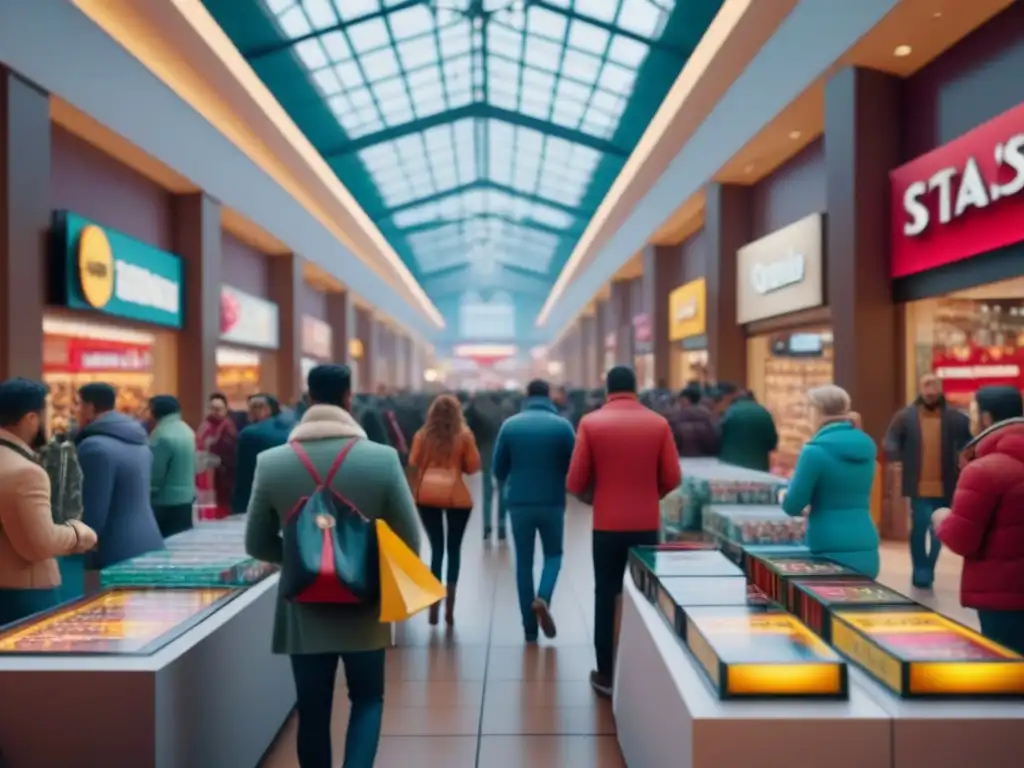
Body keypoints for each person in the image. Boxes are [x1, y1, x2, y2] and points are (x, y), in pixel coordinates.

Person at [245, 364, 421, 768]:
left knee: (312, 708)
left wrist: (300, 558)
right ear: (348, 398)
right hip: (363, 604)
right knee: (367, 698)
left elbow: (255, 542)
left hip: (302, 609)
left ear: (308, 400)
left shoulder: (272, 462)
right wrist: (362, 563)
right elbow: (409, 540)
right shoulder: (382, 460)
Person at [566, 366, 681, 697]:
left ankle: (606, 672)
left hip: (606, 524)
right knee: (645, 596)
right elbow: (673, 476)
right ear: (637, 388)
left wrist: (597, 498)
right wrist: (649, 494)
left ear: (607, 390)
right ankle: (644, 669)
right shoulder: (658, 424)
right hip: (646, 523)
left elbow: (575, 481)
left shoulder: (591, 423)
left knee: (605, 594)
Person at [934, 386, 1024, 654]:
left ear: (986, 418)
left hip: (1003, 595)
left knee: (1008, 674)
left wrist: (943, 518)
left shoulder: (985, 469)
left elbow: (962, 539)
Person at [0, 379, 96, 625]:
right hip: (22, 594)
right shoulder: (25, 472)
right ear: (31, 418)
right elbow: (40, 544)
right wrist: (79, 533)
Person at [493, 380, 575, 642]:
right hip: (552, 502)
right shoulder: (563, 426)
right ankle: (543, 597)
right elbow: (575, 465)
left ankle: (529, 629)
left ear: (526, 396)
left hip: (519, 503)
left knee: (524, 563)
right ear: (548, 396)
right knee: (553, 555)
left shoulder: (510, 426)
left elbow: (498, 470)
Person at [780, 386, 880, 577]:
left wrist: (784, 495)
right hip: (866, 543)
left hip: (827, 545)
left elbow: (793, 505)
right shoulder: (867, 447)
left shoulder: (814, 452)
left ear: (815, 411)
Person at [884, 373, 972, 588]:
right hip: (919, 484)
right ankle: (920, 568)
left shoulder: (957, 419)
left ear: (941, 389)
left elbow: (970, 442)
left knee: (938, 531)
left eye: (934, 386)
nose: (931, 391)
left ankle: (929, 567)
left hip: (947, 483)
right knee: (919, 527)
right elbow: (890, 440)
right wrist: (896, 457)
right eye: (926, 386)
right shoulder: (905, 417)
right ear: (919, 389)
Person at [408, 394, 481, 626]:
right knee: (454, 549)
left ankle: (434, 605)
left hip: (427, 496)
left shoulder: (421, 435)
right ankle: (450, 607)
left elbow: (413, 461)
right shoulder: (465, 435)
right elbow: (472, 467)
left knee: (437, 548)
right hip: (457, 498)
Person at [75, 383, 164, 569]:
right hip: (148, 541)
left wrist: (77, 549)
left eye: (78, 405)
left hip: (115, 550)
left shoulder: (94, 447)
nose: (76, 412)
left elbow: (94, 512)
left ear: (90, 408)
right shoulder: (138, 440)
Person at [231, 393, 294, 515]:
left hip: (259, 498)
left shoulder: (249, 434)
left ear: (269, 409)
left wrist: (238, 506)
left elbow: (243, 475)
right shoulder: (292, 428)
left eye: (257, 406)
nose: (251, 411)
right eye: (250, 407)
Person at [147, 395, 196, 538]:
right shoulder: (186, 430)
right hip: (186, 497)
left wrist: (150, 492)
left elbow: (155, 472)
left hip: (165, 500)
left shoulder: (161, 434)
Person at [465, 392, 505, 542]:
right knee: (503, 490)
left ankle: (486, 527)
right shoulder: (504, 409)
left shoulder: (476, 411)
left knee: (487, 493)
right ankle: (502, 528)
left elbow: (468, 428)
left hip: (486, 452)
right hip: (502, 451)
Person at [716, 383, 778, 471]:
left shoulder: (729, 412)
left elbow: (718, 437)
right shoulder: (764, 413)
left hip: (730, 464)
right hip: (758, 466)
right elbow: (772, 443)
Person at [196, 392, 237, 520]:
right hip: (206, 469)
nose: (216, 412)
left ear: (225, 409)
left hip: (224, 472)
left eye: (219, 409)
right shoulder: (205, 425)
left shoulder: (229, 426)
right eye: (213, 409)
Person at [668, 382, 719, 458]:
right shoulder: (711, 418)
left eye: (680, 400)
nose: (679, 403)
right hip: (709, 461)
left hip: (683, 460)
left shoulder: (675, 420)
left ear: (686, 400)